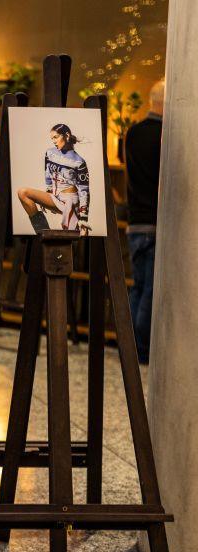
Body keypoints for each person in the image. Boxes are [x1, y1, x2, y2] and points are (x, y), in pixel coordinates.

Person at [125, 79, 164, 365]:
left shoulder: (133, 133)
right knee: (150, 290)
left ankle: (128, 345)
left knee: (137, 286)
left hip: (134, 220)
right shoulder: (166, 136)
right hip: (154, 221)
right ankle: (141, 350)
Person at [15, 123, 91, 235]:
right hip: (55, 197)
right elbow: (47, 174)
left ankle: (76, 228)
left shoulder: (79, 161)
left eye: (56, 137)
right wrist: (48, 191)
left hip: (70, 201)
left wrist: (83, 217)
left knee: (78, 237)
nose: (54, 141)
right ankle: (43, 233)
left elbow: (84, 191)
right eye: (52, 138)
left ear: (67, 135)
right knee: (23, 193)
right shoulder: (49, 153)